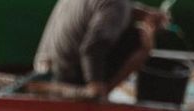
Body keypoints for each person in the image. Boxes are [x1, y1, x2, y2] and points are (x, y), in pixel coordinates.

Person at [33, 0, 168, 100]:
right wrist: (94, 83)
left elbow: (103, 8)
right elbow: (93, 47)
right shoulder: (118, 5)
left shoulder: (117, 5)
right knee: (140, 40)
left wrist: (144, 14)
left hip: (48, 65)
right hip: (70, 74)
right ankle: (98, 95)